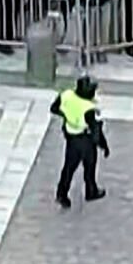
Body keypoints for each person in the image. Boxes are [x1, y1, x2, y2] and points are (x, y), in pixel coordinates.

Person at [50, 75, 110, 208]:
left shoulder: (67, 95)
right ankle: (91, 191)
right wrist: (103, 146)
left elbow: (54, 109)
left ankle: (62, 194)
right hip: (84, 139)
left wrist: (67, 116)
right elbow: (95, 131)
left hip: (70, 136)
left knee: (68, 168)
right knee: (89, 166)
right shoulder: (87, 108)